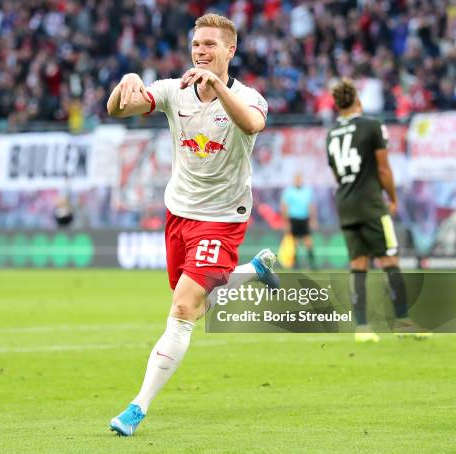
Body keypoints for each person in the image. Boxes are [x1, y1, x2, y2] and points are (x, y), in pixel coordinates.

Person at [106, 13, 278, 436]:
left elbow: (253, 124)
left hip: (223, 218)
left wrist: (217, 86)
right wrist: (125, 81)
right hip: (179, 213)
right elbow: (117, 110)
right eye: (197, 44)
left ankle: (136, 408)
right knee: (197, 305)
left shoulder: (251, 98)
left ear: (229, 51)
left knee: (183, 308)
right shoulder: (172, 90)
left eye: (210, 45)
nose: (201, 51)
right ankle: (252, 272)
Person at [326, 78, 430, 343]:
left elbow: (338, 174)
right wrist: (392, 198)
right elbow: (383, 168)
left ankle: (362, 328)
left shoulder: (331, 134)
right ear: (358, 100)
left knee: (358, 263)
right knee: (389, 260)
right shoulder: (372, 125)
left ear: (337, 105)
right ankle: (404, 322)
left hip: (346, 203)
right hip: (371, 203)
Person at [280, 173, 317, 268]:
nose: (298, 181)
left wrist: (313, 219)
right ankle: (295, 264)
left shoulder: (307, 191)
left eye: (299, 179)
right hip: (293, 219)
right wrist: (286, 222)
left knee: (308, 241)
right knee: (294, 241)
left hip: (304, 218)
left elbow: (311, 205)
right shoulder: (289, 191)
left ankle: (312, 263)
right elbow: (284, 207)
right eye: (296, 179)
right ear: (294, 180)